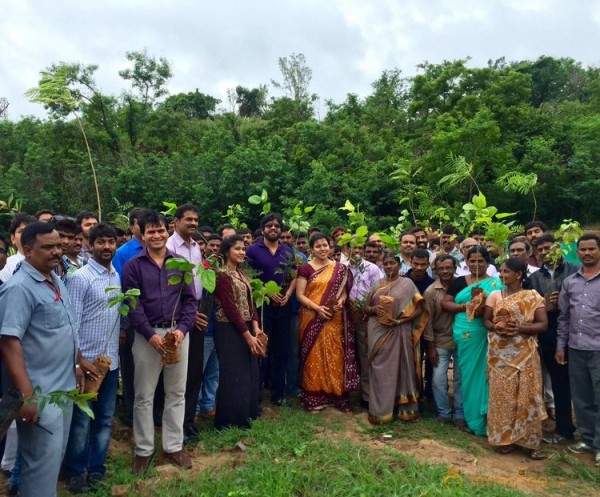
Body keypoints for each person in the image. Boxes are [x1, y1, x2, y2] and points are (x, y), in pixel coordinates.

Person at [0, 222, 82, 497]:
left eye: (58, 246)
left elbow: (64, 327)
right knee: (39, 470)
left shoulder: (55, 279)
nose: (56, 251)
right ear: (26, 250)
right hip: (41, 395)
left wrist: (79, 363)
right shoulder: (19, 288)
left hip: (65, 390)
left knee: (51, 464)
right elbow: (10, 343)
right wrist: (28, 396)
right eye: (47, 247)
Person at [122, 210, 197, 474]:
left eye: (160, 230)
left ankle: (174, 446)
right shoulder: (133, 266)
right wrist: (150, 334)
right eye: (150, 231)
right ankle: (143, 450)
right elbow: (133, 303)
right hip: (147, 337)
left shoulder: (180, 264)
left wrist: (182, 330)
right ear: (141, 235)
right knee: (144, 396)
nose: (156, 235)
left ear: (168, 231)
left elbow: (190, 301)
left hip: (177, 335)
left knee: (176, 392)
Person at [64, 224, 121, 492]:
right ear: (90, 244)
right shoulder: (80, 278)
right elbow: (71, 323)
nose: (107, 247)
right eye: (101, 242)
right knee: (80, 421)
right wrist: (77, 361)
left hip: (110, 364)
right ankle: (75, 471)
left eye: (111, 242)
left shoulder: (116, 277)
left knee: (105, 419)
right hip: (85, 364)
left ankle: (97, 468)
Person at [483, 257, 548, 460]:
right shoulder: (495, 295)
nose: (501, 275)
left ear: (518, 275)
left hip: (525, 355)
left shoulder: (532, 296)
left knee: (528, 396)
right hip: (500, 356)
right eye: (501, 271)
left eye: (506, 272)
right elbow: (486, 320)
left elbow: (543, 324)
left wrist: (520, 328)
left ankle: (530, 442)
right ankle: (505, 439)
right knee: (503, 397)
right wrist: (497, 327)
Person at [442, 246, 502, 435]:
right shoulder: (460, 281)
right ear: (466, 263)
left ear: (487, 262)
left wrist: (483, 307)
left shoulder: (496, 283)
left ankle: (487, 415)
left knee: (486, 374)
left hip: (486, 331)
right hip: (465, 332)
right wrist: (466, 306)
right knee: (465, 375)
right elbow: (446, 303)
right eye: (472, 261)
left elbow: (501, 306)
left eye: (480, 261)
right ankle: (467, 417)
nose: (476, 264)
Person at [296, 233, 358, 412]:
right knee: (314, 355)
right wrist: (317, 308)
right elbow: (300, 295)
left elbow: (344, 291)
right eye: (318, 246)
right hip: (311, 316)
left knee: (335, 354)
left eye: (325, 245)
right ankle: (314, 396)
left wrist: (342, 300)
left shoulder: (340, 269)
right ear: (311, 249)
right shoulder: (305, 269)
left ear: (331, 247)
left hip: (334, 318)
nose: (322, 249)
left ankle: (336, 395)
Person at [525, 234, 579, 444]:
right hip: (549, 336)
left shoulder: (576, 271)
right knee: (559, 383)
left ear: (558, 249)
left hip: (578, 335)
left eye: (549, 248)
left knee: (586, 384)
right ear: (536, 255)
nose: (545, 253)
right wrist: (544, 307)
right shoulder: (534, 278)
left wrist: (563, 302)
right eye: (541, 250)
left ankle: (592, 431)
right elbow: (530, 309)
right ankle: (564, 429)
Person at [363, 254, 426, 423]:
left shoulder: (407, 284)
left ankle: (403, 408)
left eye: (392, 263)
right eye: (386, 264)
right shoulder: (377, 284)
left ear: (399, 266)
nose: (389, 266)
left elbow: (419, 310)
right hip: (378, 330)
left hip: (400, 329)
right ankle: (380, 411)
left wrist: (399, 321)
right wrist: (375, 309)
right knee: (379, 367)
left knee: (402, 367)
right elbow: (366, 308)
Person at [213, 235, 266, 428]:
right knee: (233, 374)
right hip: (228, 329)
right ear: (227, 251)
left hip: (245, 329)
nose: (242, 252)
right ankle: (229, 421)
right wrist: (247, 336)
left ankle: (247, 415)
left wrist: (256, 328)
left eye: (244, 249)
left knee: (250, 373)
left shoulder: (242, 275)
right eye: (237, 249)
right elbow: (230, 308)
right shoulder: (222, 275)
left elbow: (251, 306)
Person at [166, 204, 208, 441]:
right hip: (177, 316)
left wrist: (196, 311)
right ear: (176, 222)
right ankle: (175, 425)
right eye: (188, 220)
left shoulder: (195, 248)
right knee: (175, 375)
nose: (193, 223)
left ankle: (187, 421)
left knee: (193, 372)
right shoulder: (170, 247)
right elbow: (170, 288)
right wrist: (188, 315)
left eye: (195, 220)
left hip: (196, 312)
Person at [557, 234, 600, 465]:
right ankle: (588, 438)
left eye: (591, 249)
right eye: (582, 250)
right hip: (576, 347)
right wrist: (560, 346)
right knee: (582, 397)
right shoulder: (570, 281)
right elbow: (564, 317)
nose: (586, 253)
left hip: (598, 349)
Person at [246, 213, 296, 407]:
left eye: (277, 225)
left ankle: (278, 394)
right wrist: (265, 291)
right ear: (263, 228)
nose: (273, 228)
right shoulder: (252, 250)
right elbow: (246, 275)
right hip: (262, 308)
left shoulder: (288, 252)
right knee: (261, 350)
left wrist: (289, 293)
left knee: (281, 350)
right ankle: (256, 394)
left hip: (283, 306)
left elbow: (294, 275)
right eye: (269, 225)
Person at [424, 255, 465, 429]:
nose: (445, 271)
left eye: (449, 267)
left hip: (464, 339)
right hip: (441, 340)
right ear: (435, 270)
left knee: (460, 379)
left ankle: (460, 415)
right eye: (441, 268)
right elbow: (428, 322)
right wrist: (430, 349)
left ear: (455, 267)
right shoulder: (431, 292)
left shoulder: (464, 286)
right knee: (438, 379)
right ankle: (443, 412)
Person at [344, 243, 384, 408]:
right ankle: (344, 391)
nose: (358, 251)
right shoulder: (342, 268)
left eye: (361, 247)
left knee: (365, 355)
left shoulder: (372, 268)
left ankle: (367, 395)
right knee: (345, 353)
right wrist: (348, 301)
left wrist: (365, 309)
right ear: (346, 250)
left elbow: (378, 292)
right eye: (354, 248)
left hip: (365, 318)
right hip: (345, 315)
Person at [0, 213, 36, 282]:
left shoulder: (48, 261)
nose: (26, 235)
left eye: (31, 231)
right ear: (13, 238)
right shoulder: (6, 266)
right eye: (21, 231)